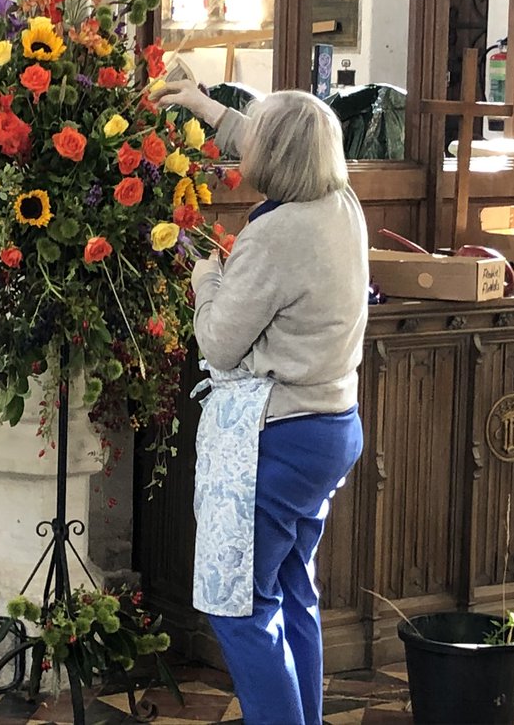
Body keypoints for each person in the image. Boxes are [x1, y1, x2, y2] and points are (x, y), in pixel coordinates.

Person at [153, 82, 369, 725]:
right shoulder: (340, 201)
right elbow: (265, 135)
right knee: (292, 590)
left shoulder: (275, 234)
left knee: (240, 605)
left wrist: (204, 276)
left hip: (279, 438)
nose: (243, 147)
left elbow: (219, 344)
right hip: (331, 428)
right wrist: (198, 103)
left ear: (269, 161)